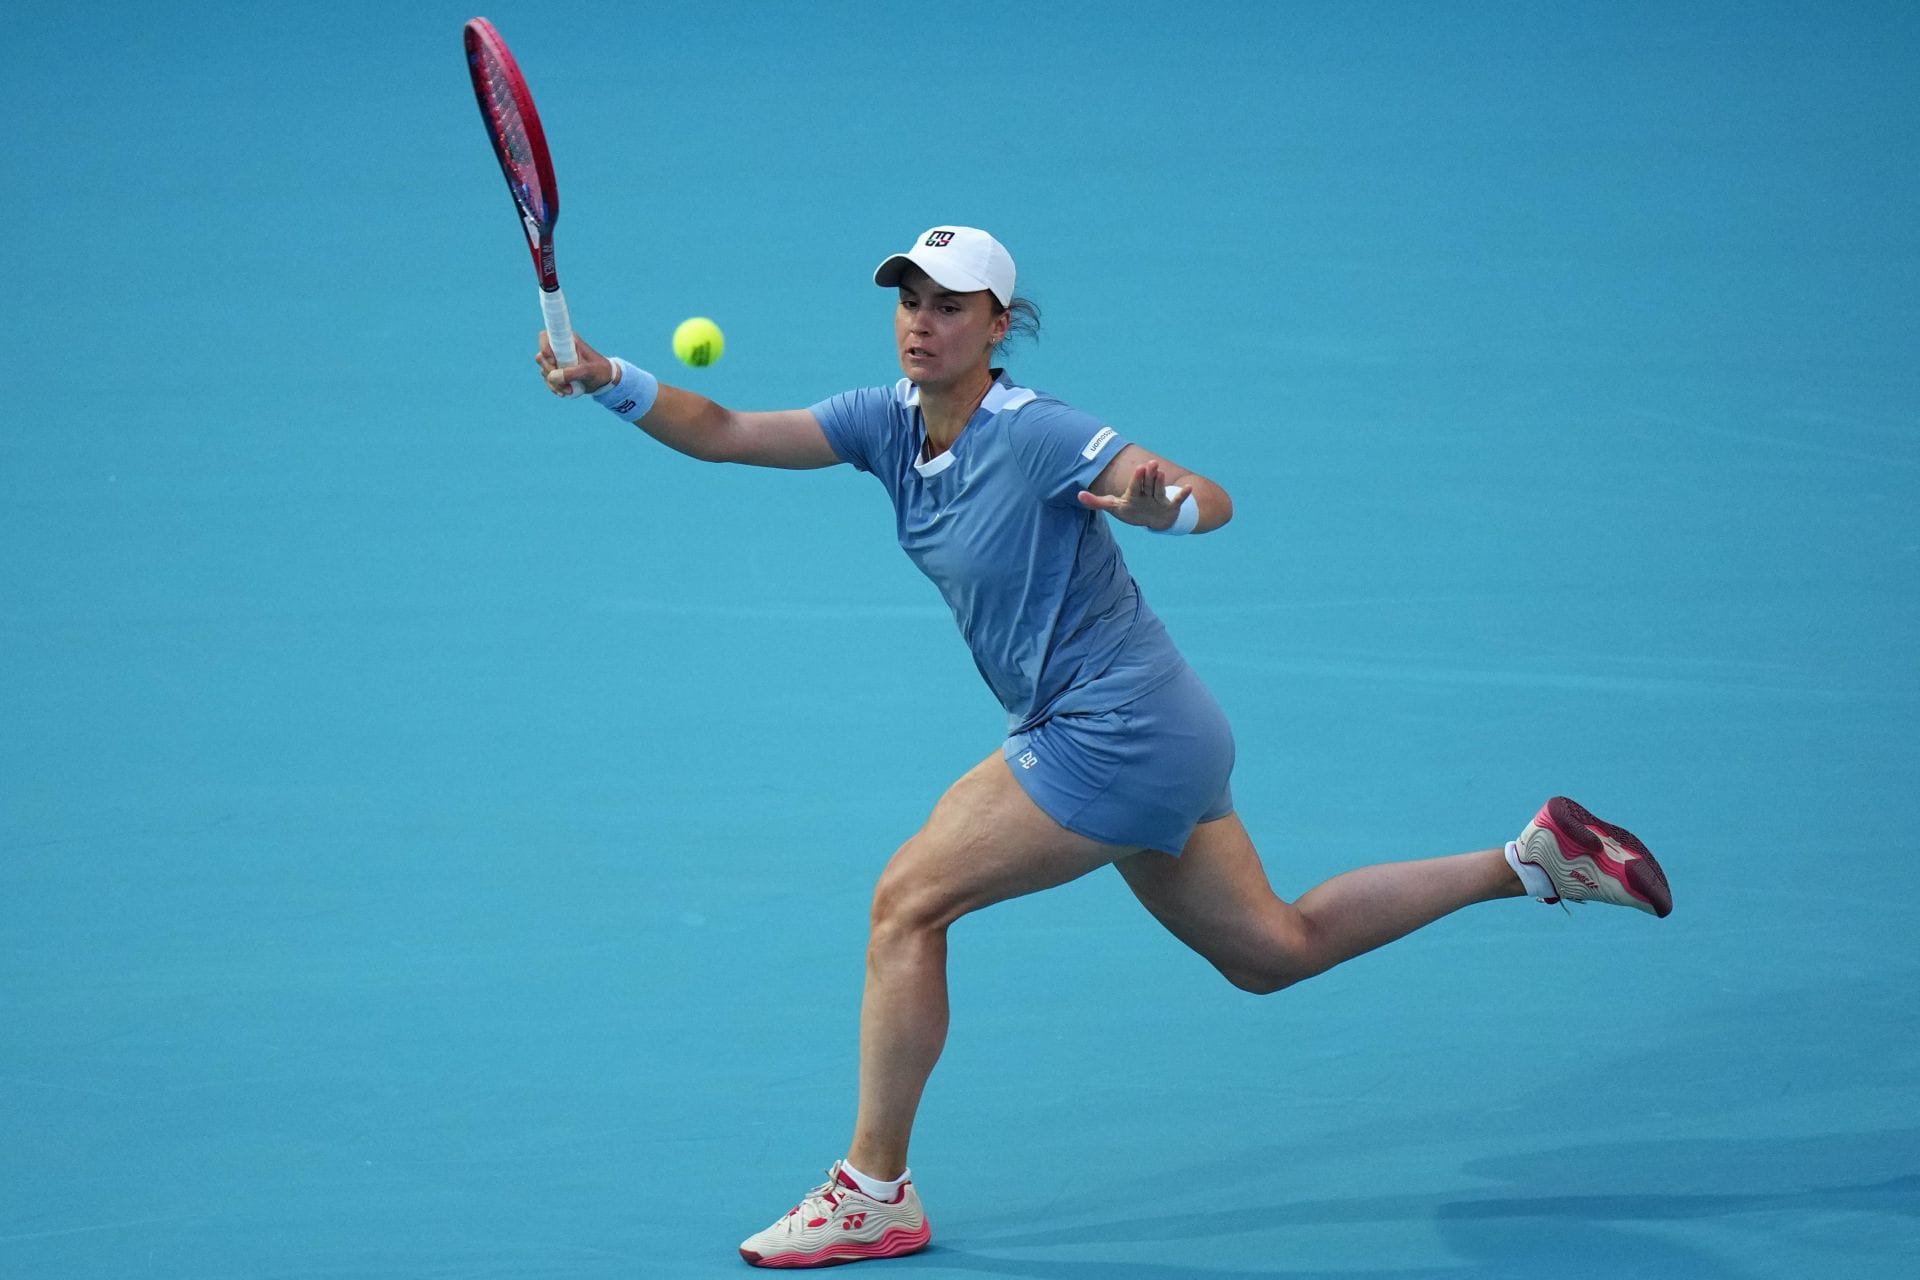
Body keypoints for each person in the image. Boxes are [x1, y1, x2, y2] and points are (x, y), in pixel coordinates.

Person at [533, 225, 1673, 1268]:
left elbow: (1202, 496)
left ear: (999, 327)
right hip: (1146, 725)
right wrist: (611, 380)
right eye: (910, 298)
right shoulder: (885, 421)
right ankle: (1532, 857)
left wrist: (1158, 504)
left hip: (1115, 729)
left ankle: (873, 1186)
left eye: (952, 304)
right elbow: (730, 432)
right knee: (1271, 948)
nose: (923, 319)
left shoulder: (1039, 433)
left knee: (906, 904)